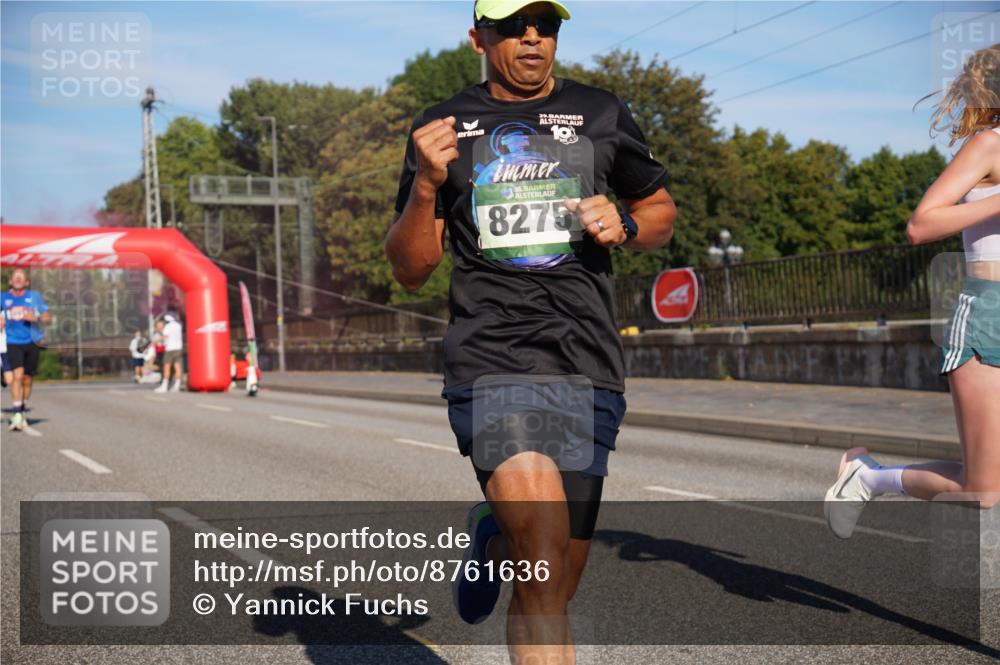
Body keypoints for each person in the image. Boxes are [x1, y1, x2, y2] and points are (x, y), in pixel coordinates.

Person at [386, 1, 676, 661]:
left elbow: (659, 208)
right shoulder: (441, 125)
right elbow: (410, 268)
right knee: (543, 551)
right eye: (514, 27)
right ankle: (509, 536)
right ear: (478, 38)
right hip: (493, 359)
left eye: (545, 26)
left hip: (586, 361)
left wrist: (626, 225)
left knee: (554, 580)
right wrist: (427, 188)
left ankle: (491, 538)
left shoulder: (600, 112)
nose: (532, 39)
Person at [825, 44, 1000, 537]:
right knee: (984, 493)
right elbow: (922, 224)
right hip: (989, 318)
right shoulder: (990, 144)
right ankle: (872, 478)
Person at [1, 268, 51, 431]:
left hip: (32, 341)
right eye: (15, 276)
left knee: (27, 379)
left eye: (21, 277)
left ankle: (22, 408)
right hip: (13, 341)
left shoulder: (34, 297)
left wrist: (35, 318)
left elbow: (48, 318)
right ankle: (17, 412)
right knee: (18, 374)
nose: (17, 279)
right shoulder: (3, 298)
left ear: (26, 282)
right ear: (10, 281)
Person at [155, 312, 184, 393]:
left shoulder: (168, 326)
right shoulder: (178, 326)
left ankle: (164, 386)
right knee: (177, 367)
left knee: (166, 367)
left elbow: (165, 336)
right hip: (178, 348)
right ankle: (177, 385)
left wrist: (156, 341)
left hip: (170, 348)